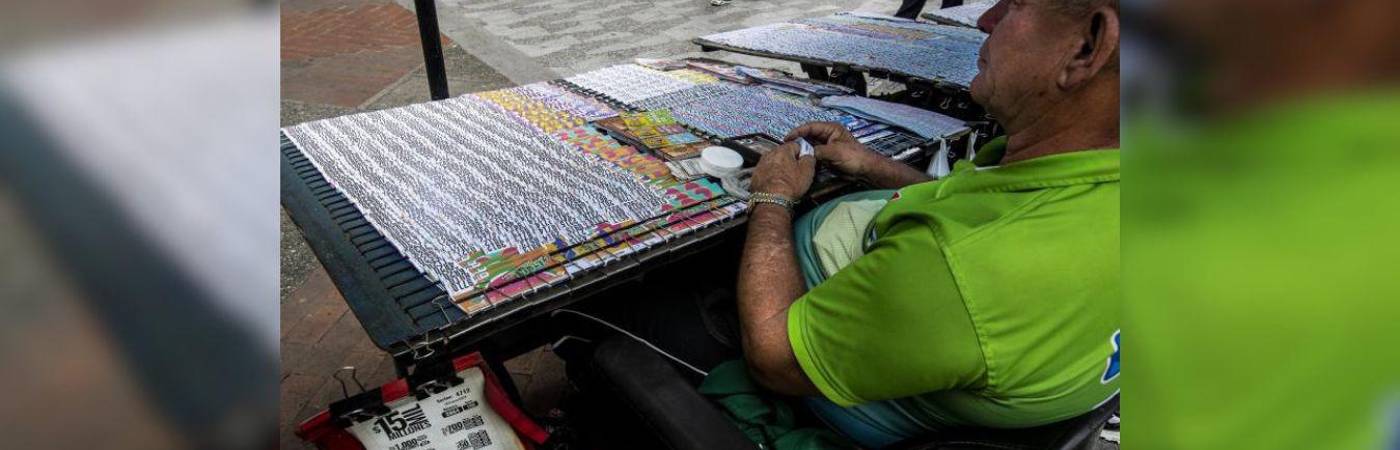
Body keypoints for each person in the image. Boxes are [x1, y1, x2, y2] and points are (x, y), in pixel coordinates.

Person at [564, 0, 1121, 448]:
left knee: (610, 297)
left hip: (798, 366)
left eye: (1015, 2)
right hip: (909, 335)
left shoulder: (974, 270)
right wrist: (876, 167)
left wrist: (774, 201)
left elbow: (776, 361)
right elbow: (972, 206)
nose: (985, 18)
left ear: (1087, 45)